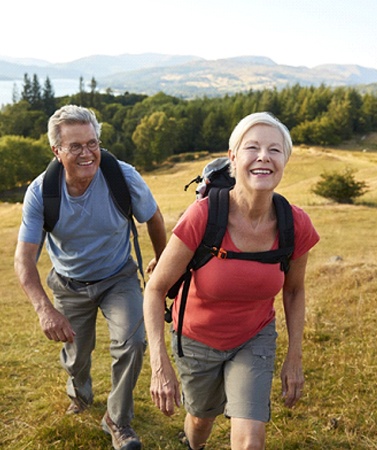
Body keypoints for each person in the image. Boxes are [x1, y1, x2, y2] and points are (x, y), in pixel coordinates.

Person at [143, 112, 320, 450]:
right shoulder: (205, 215)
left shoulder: (294, 224)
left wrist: (294, 357)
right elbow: (155, 289)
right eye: (252, 147)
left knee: (251, 440)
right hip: (195, 339)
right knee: (200, 422)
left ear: (285, 161)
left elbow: (294, 290)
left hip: (254, 337)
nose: (264, 156)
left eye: (275, 150)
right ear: (233, 158)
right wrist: (159, 364)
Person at [14, 105, 166, 450]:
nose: (87, 153)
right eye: (76, 146)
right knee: (76, 356)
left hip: (118, 277)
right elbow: (24, 259)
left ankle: (117, 419)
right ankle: (80, 393)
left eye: (92, 143)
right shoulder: (41, 192)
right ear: (57, 151)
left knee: (133, 342)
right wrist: (44, 309)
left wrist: (162, 261)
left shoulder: (122, 176)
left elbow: (153, 218)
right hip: (69, 283)